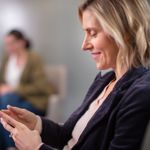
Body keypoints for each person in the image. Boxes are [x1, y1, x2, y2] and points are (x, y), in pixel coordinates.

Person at [0, 0, 150, 149]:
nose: (84, 45)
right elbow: (67, 134)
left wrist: (37, 148)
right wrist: (36, 123)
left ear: (126, 33)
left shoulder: (139, 94)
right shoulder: (104, 81)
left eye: (93, 33)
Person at [0, 30, 52, 150]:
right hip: (9, 101)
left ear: (22, 42)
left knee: (7, 100)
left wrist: (13, 89)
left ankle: (12, 146)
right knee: (4, 104)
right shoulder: (7, 59)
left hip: (31, 101)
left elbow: (41, 86)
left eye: (12, 43)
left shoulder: (33, 58)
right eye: (7, 44)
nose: (9, 47)